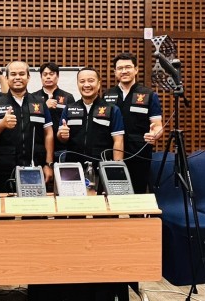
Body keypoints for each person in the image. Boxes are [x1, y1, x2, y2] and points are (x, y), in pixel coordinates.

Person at [0, 61, 54, 193]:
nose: (17, 77)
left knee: (34, 204)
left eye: (22, 74)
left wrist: (48, 164)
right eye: (13, 74)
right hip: (5, 167)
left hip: (35, 166)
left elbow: (48, 133)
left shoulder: (39, 103)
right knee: (5, 204)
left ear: (28, 77)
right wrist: (2, 124)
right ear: (6, 78)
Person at [103, 52, 163, 194]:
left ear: (136, 69)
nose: (124, 71)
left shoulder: (148, 95)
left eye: (128, 67)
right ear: (115, 72)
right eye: (120, 68)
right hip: (111, 152)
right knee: (113, 193)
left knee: (138, 194)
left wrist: (155, 134)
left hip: (139, 153)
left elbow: (158, 126)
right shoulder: (107, 95)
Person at [57, 67, 124, 175]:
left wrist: (116, 168)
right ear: (77, 84)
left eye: (91, 81)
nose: (86, 85)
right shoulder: (69, 108)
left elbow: (118, 141)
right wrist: (61, 135)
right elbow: (61, 138)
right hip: (73, 167)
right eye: (82, 81)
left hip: (102, 166)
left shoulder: (112, 109)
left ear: (98, 83)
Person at [32, 62, 75, 158]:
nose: (48, 77)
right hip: (39, 148)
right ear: (41, 77)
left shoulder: (68, 97)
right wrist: (44, 107)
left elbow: (72, 122)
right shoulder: (33, 97)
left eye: (51, 74)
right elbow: (30, 122)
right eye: (45, 74)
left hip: (62, 148)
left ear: (58, 76)